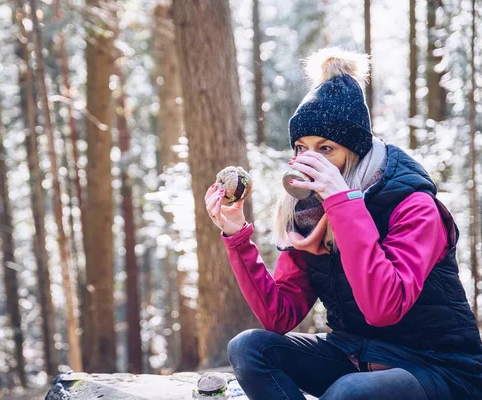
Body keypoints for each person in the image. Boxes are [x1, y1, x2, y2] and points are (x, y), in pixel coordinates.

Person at [204, 47, 482, 400]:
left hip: (438, 369)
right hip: (354, 354)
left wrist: (342, 204)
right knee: (250, 348)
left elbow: (383, 308)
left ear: (355, 151)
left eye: (325, 149)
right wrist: (235, 234)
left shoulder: (415, 207)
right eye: (302, 148)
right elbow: (280, 316)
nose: (310, 161)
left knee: (348, 392)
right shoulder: (308, 214)